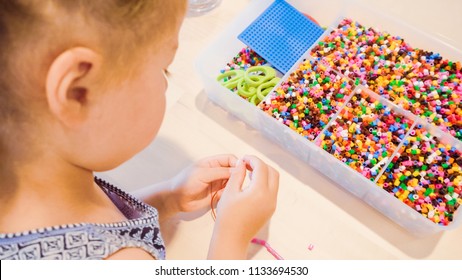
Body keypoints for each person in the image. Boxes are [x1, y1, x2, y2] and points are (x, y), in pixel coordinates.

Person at [0, 0, 279, 260]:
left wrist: (167, 199)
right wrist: (232, 237)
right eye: (163, 70)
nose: (167, 85)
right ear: (79, 92)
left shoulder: (32, 173)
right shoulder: (123, 261)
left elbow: (99, 226)